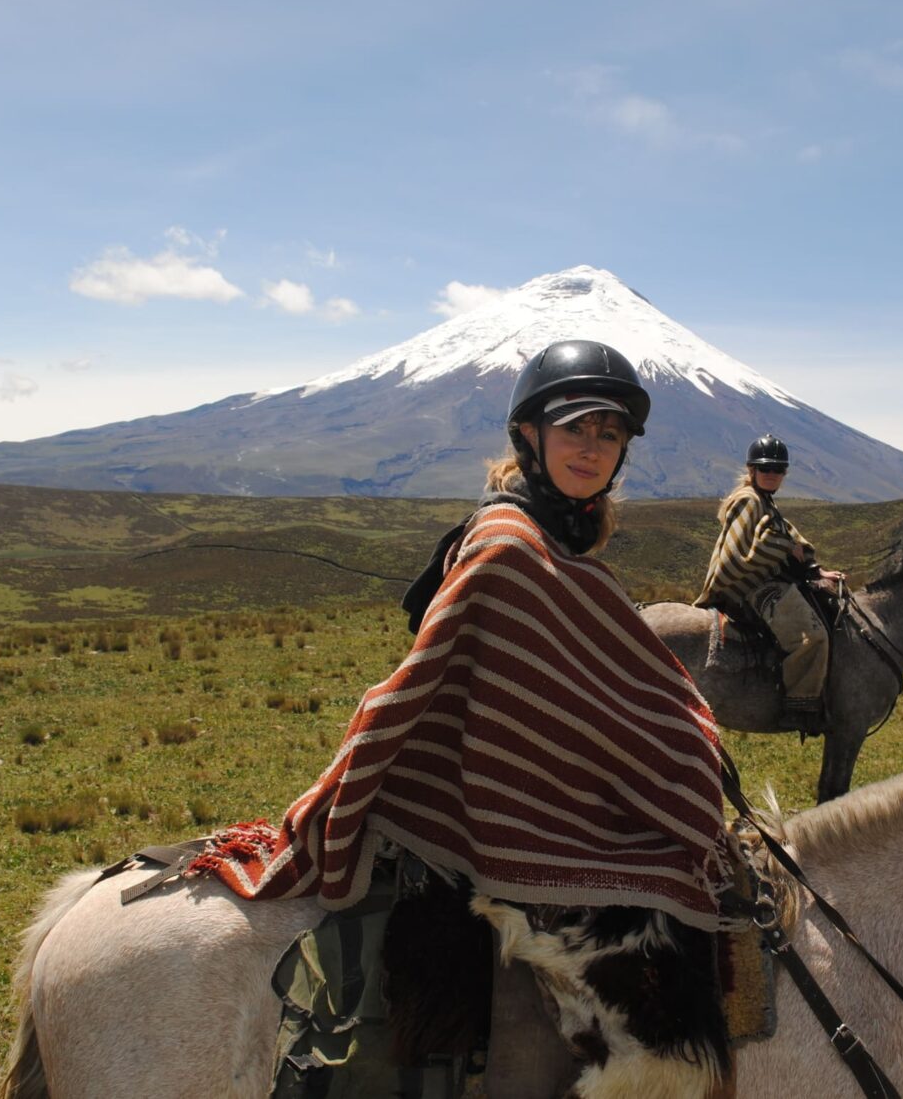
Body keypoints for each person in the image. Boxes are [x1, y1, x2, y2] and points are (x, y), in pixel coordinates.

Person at [189, 340, 734, 1097]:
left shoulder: (557, 537)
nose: (592, 447)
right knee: (657, 900)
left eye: (609, 434)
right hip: (488, 809)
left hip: (521, 782)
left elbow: (584, 691)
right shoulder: (510, 545)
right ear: (530, 436)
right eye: (575, 427)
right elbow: (497, 689)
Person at [695, 434, 844, 717]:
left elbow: (788, 537)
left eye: (778, 470)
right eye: (766, 469)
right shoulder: (748, 501)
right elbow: (739, 556)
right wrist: (786, 547)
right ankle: (800, 705)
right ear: (752, 470)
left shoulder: (764, 501)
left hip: (765, 579)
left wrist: (815, 569)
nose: (772, 475)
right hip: (748, 586)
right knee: (812, 636)